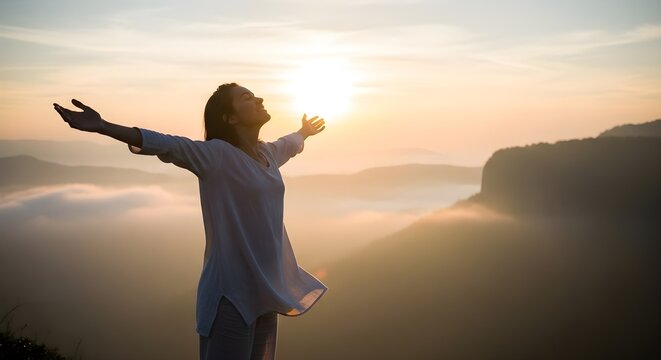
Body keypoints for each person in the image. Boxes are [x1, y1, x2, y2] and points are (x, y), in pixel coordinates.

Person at [53, 83, 328, 360]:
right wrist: (102, 125)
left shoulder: (267, 153)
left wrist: (304, 131)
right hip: (231, 296)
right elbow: (166, 143)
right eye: (247, 98)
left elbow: (290, 144)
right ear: (229, 118)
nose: (259, 99)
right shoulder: (216, 155)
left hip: (267, 290)